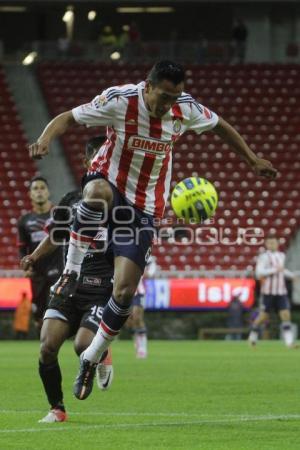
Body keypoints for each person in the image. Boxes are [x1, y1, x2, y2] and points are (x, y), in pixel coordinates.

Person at [28, 60, 277, 400]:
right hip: (109, 185)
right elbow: (67, 119)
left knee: (125, 291)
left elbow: (222, 127)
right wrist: (44, 139)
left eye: (173, 98)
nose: (167, 105)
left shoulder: (185, 109)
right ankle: (70, 270)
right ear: (148, 86)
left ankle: (90, 357)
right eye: (162, 96)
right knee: (95, 194)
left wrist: (252, 159)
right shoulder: (121, 101)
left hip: (144, 208)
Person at [22, 136, 114, 423]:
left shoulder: (124, 202)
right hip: (67, 285)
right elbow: (55, 235)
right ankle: (57, 409)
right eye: (99, 157)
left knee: (81, 346)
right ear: (88, 162)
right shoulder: (71, 200)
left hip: (98, 290)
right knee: (47, 346)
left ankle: (101, 351)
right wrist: (34, 257)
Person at [18, 177, 64, 330]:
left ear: (48, 191)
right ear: (30, 194)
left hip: (59, 270)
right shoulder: (24, 221)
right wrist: (26, 267)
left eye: (42, 188)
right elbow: (22, 247)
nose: (39, 191)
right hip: (37, 275)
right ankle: (44, 348)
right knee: (39, 317)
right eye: (35, 188)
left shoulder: (60, 214)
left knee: (57, 311)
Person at [248, 234, 299, 348]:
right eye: (269, 243)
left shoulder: (282, 256)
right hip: (268, 292)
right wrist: (274, 270)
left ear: (277, 243)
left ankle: (289, 342)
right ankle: (252, 337)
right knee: (263, 317)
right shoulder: (264, 257)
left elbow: (282, 271)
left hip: (281, 292)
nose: (271, 245)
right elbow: (259, 273)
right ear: (266, 244)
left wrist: (292, 276)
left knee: (286, 315)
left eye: (274, 242)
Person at [127, 256, 157, 358]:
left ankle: (142, 348)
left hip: (139, 291)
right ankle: (137, 337)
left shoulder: (147, 257)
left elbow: (150, 273)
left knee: (137, 317)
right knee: (129, 320)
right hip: (125, 290)